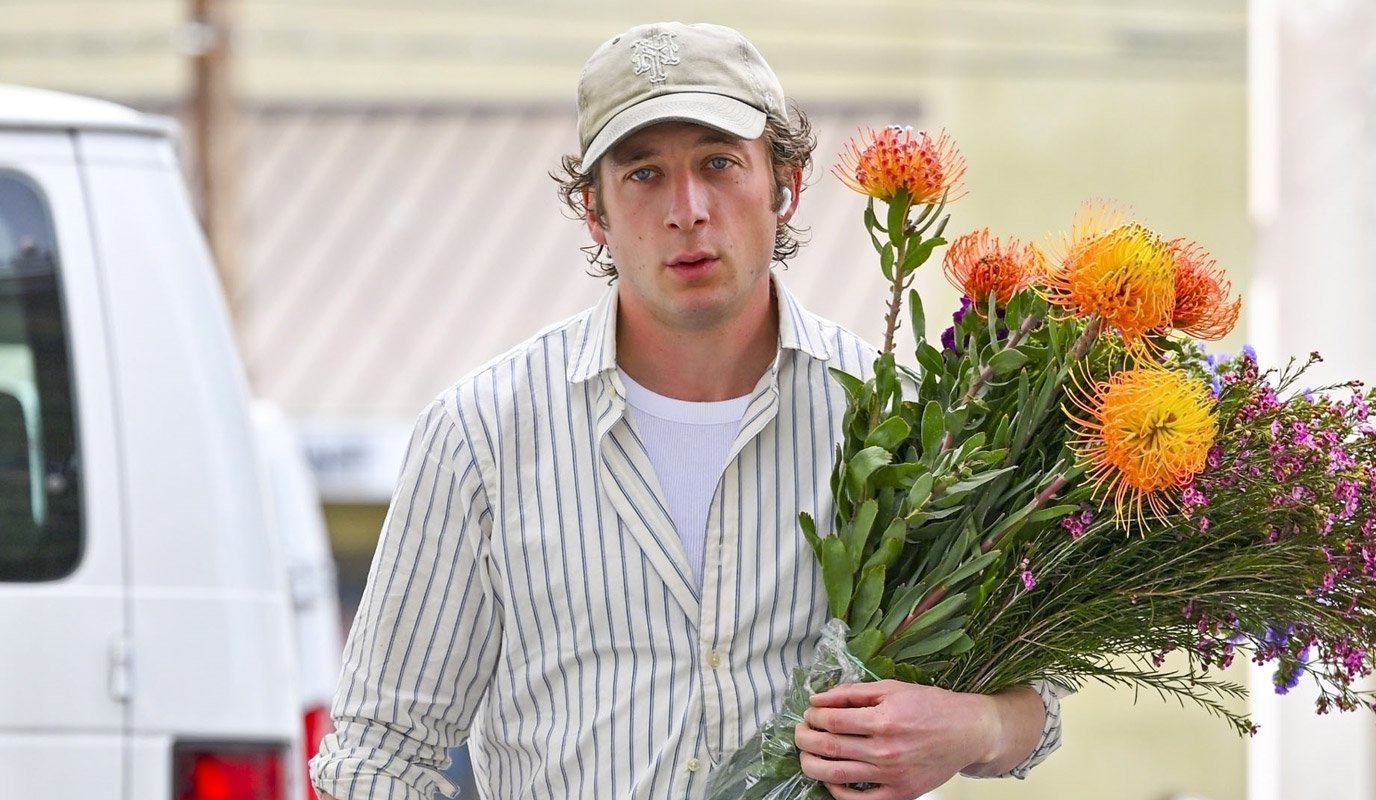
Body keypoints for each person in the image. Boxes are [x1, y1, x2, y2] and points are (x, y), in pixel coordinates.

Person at [311, 21, 1062, 800]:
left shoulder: (903, 421)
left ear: (786, 184)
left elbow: (1039, 699)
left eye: (719, 162)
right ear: (594, 211)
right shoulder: (483, 433)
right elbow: (378, 754)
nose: (688, 209)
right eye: (642, 174)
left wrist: (973, 728)